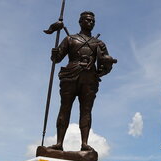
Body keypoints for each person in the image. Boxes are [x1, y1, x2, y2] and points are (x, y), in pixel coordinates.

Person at [43, 11, 116, 153]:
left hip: (89, 79)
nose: (90, 22)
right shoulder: (70, 39)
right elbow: (57, 59)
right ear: (80, 22)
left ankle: (84, 143)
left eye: (92, 21)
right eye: (87, 20)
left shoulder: (99, 43)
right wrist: (54, 53)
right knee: (65, 108)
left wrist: (104, 68)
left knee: (86, 111)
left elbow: (105, 64)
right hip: (70, 75)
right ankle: (59, 143)